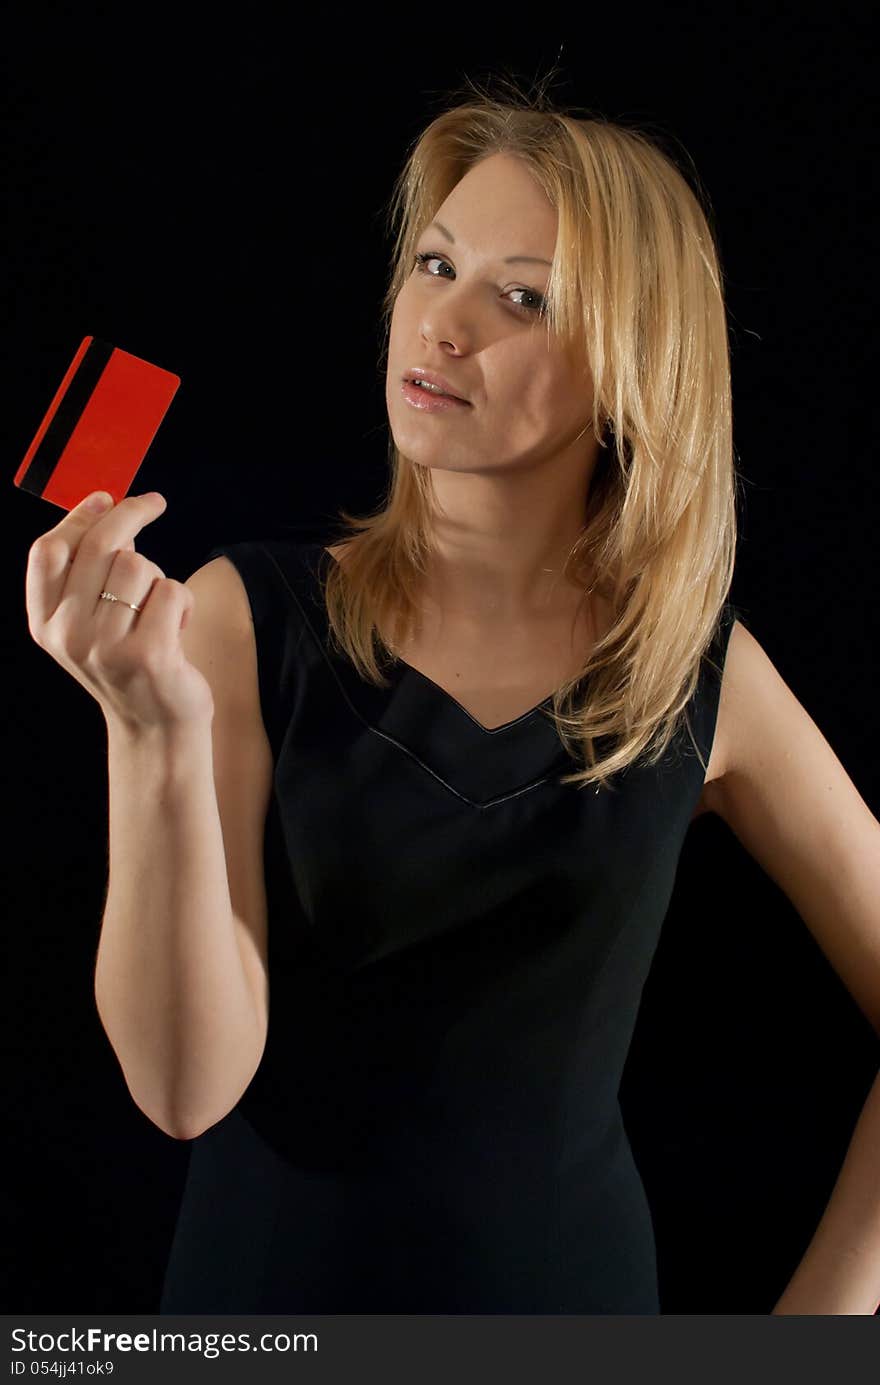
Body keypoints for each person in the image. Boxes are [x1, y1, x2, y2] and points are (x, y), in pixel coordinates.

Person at [25, 81, 880, 1316]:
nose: (443, 323)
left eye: (521, 295)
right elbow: (182, 1087)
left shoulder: (699, 671)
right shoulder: (238, 619)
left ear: (630, 363)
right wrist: (148, 729)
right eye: (433, 263)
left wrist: (822, 1330)